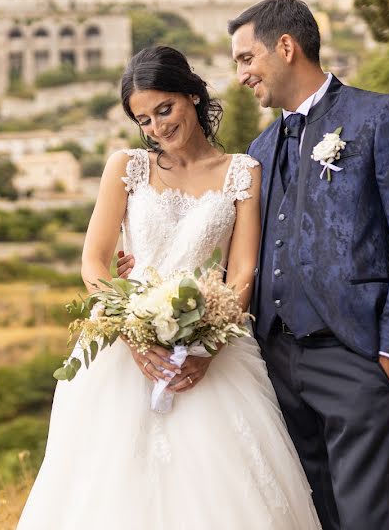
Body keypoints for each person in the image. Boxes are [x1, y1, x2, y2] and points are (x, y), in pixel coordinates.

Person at [118, 0, 389, 530]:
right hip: (275, 365)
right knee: (305, 517)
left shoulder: (379, 116)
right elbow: (239, 254)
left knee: (365, 518)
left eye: (247, 58)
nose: (242, 75)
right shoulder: (261, 149)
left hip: (355, 355)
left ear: (286, 47)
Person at [16, 45, 321, 529]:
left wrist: (208, 346)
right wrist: (130, 331)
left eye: (165, 109)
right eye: (144, 120)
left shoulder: (243, 172)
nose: (157, 127)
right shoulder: (126, 167)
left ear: (193, 97)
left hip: (211, 345)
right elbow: (94, 261)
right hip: (121, 348)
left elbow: (242, 273)